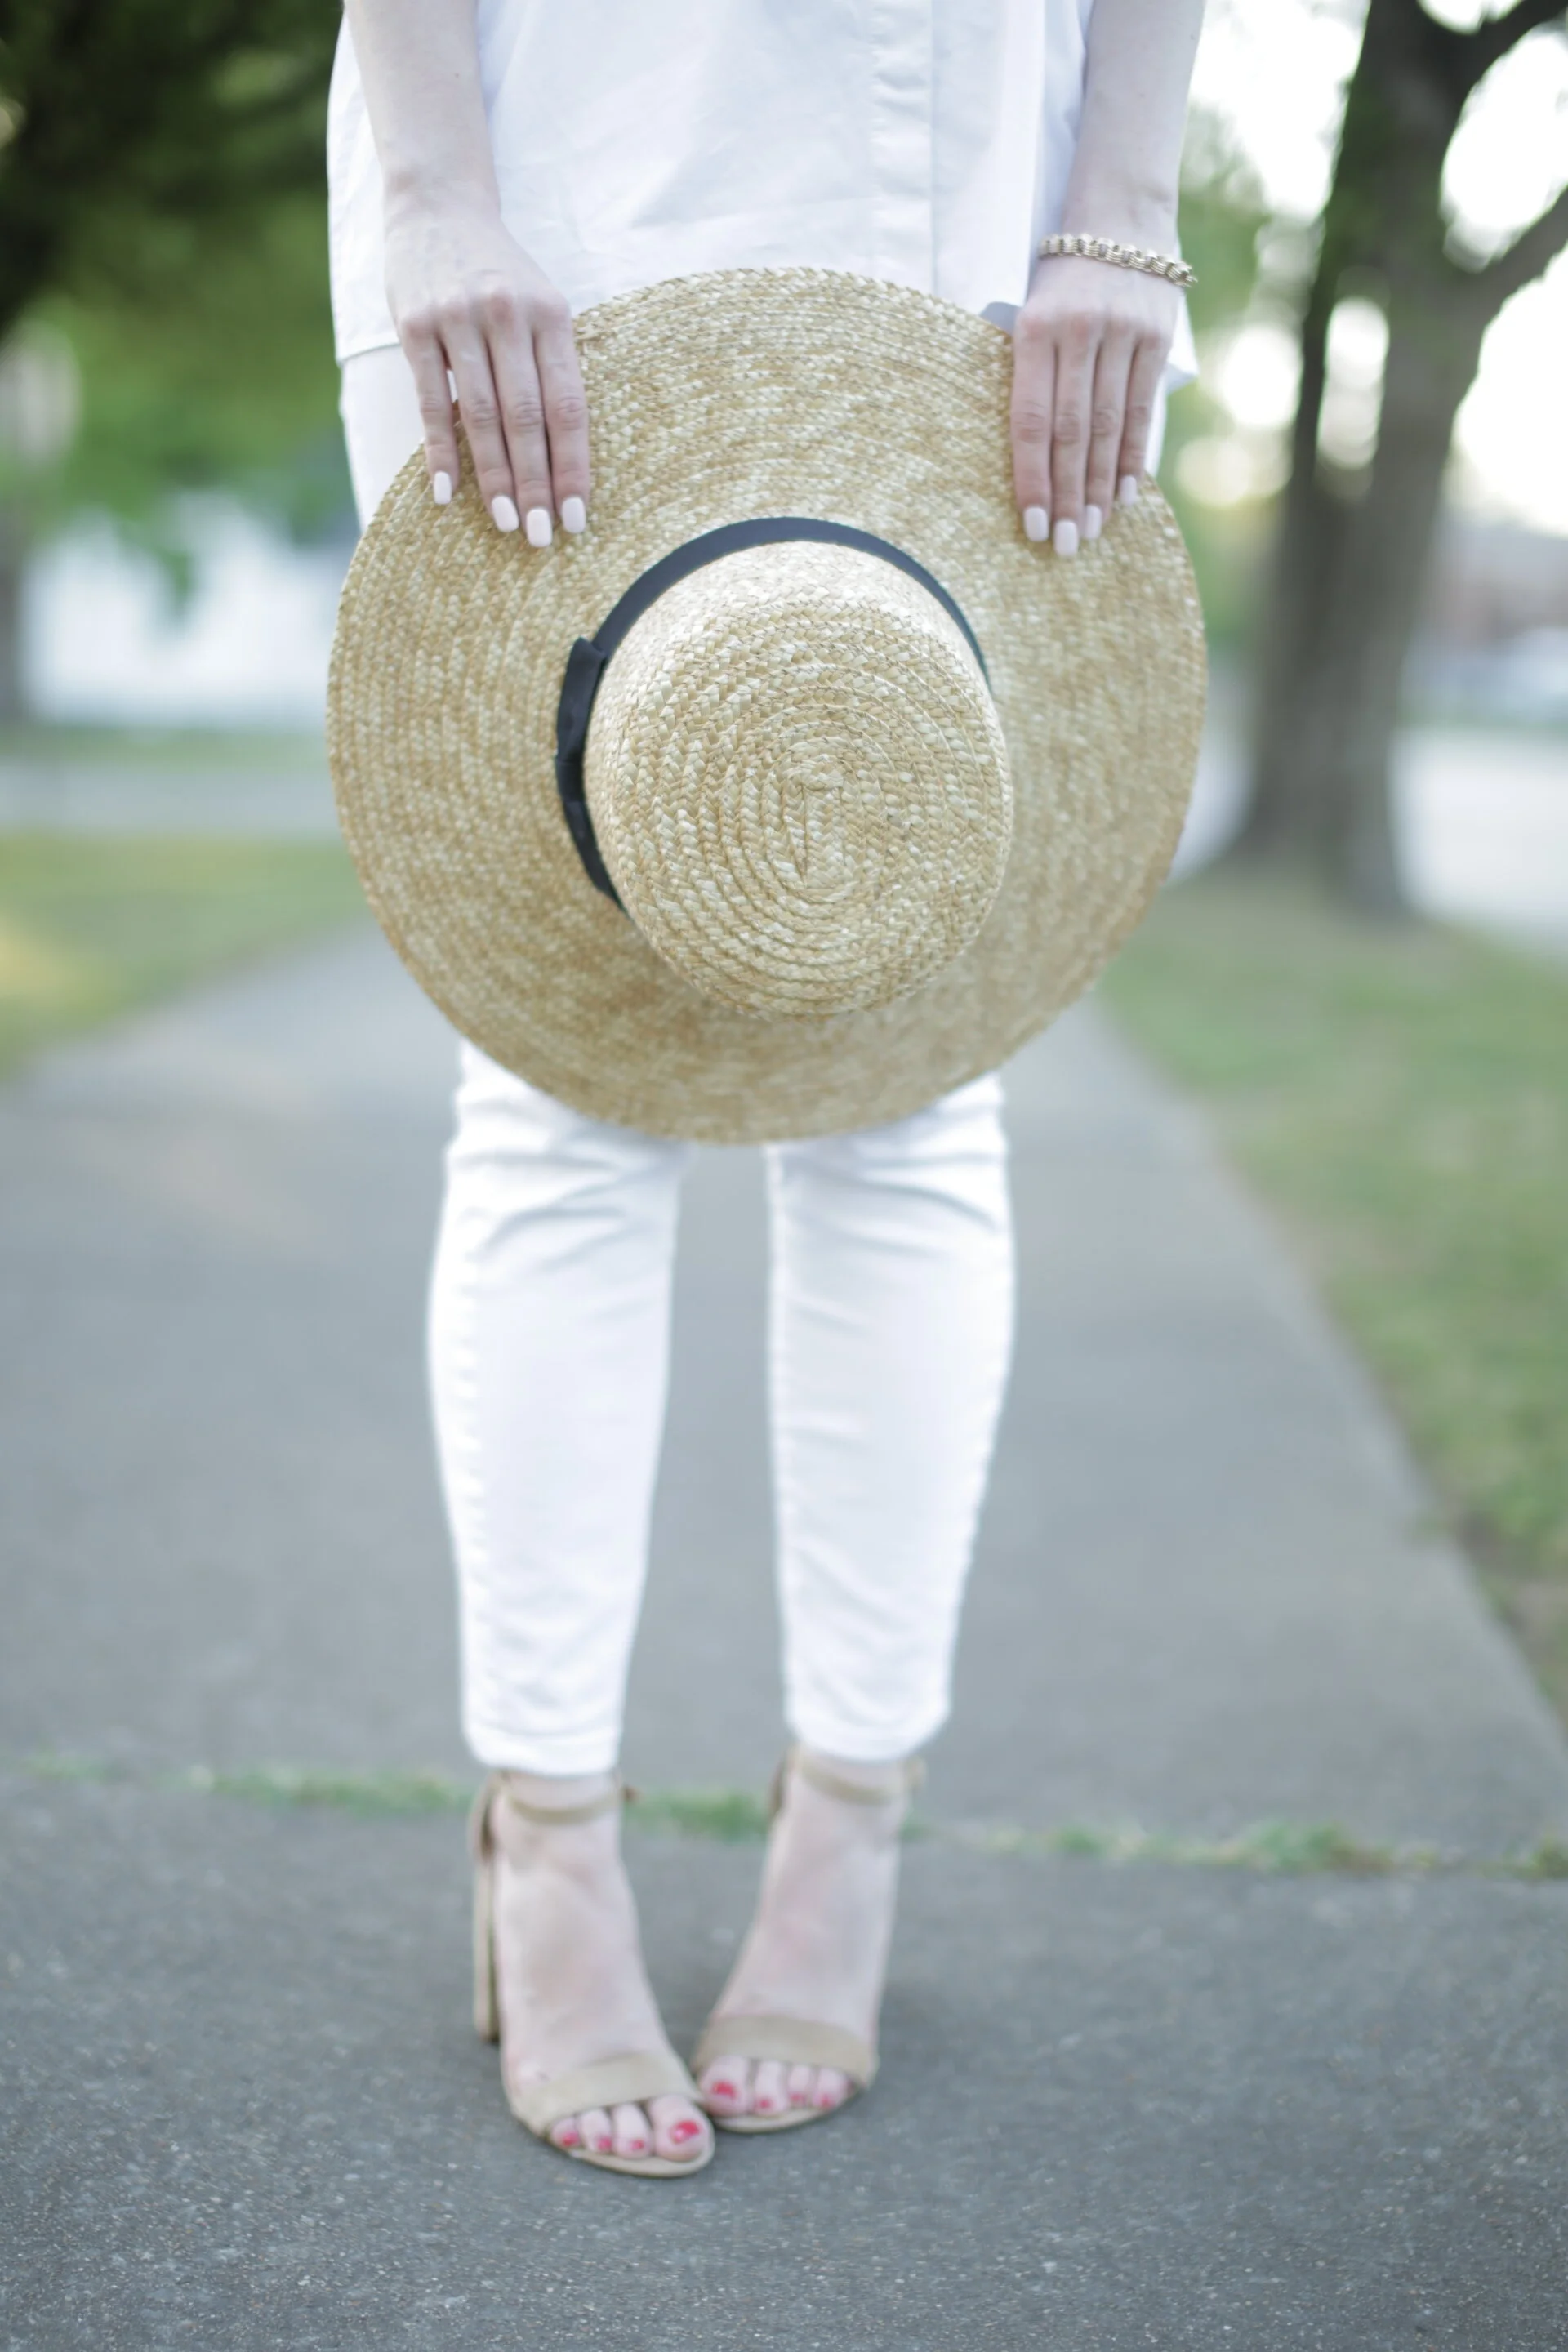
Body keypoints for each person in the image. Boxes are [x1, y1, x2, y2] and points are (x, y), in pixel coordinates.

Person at [329, 0, 1205, 2176]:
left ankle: (852, 1820)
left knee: (913, 1086)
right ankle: (547, 1837)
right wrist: (437, 184)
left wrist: (1128, 206)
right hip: (549, 181)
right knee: (556, 1086)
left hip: (985, 210)